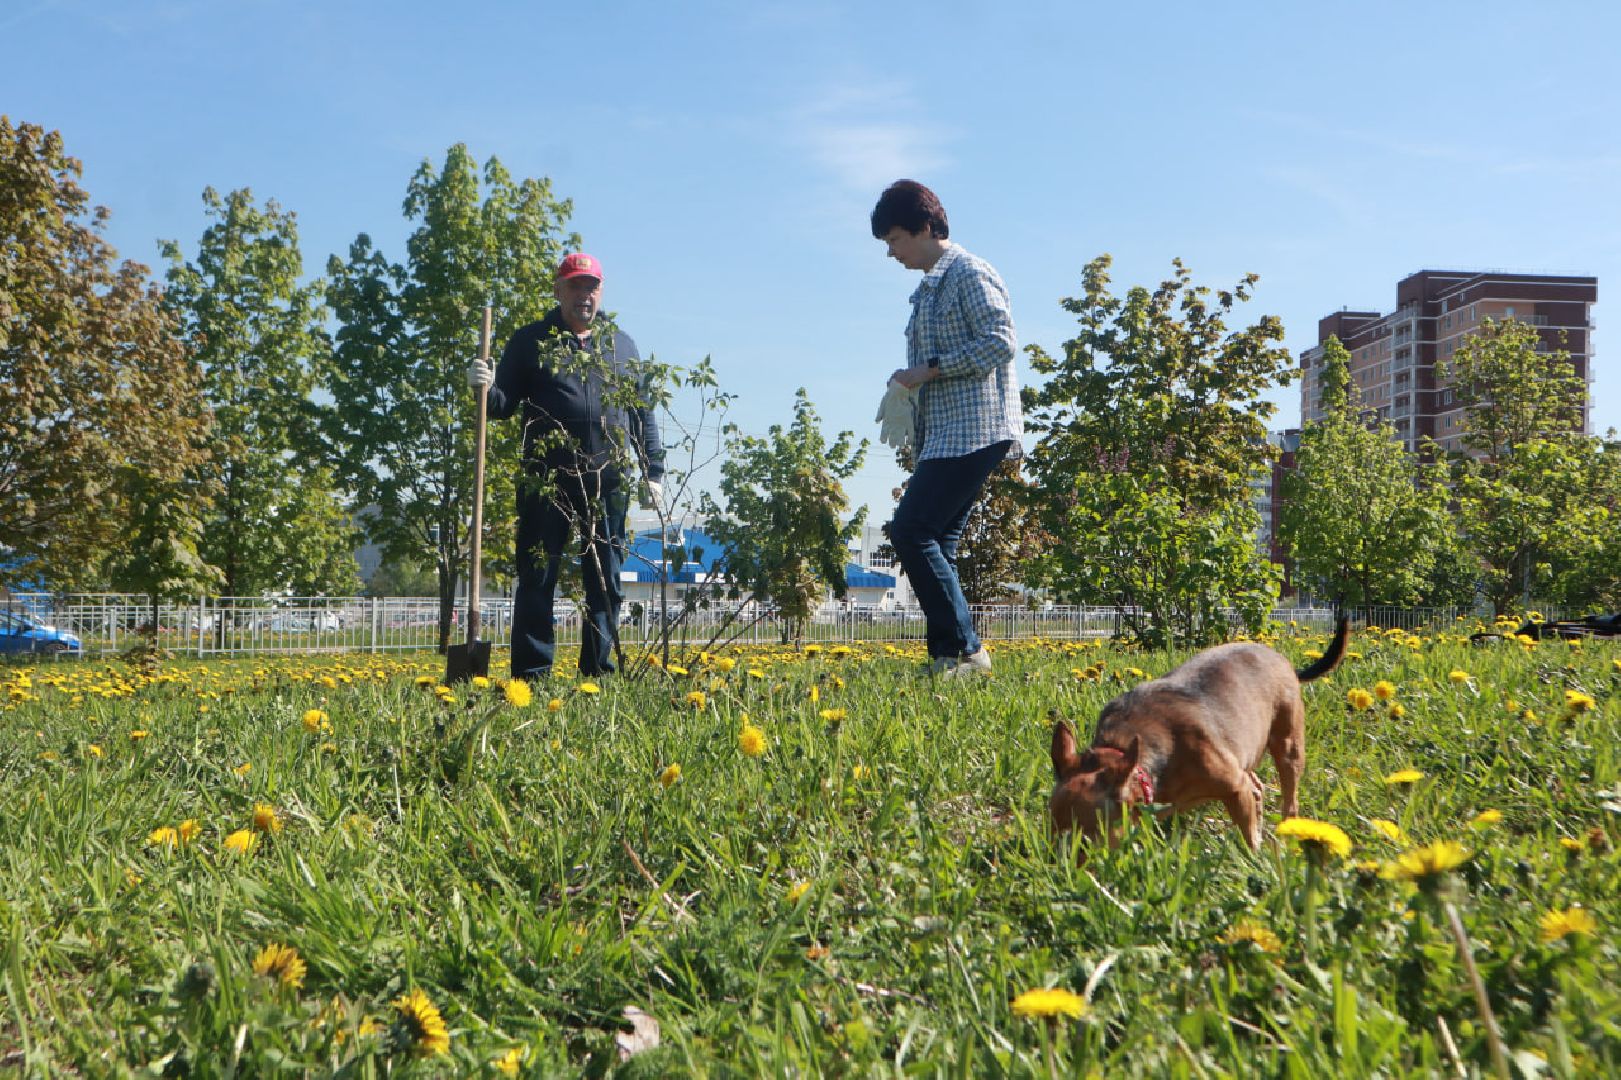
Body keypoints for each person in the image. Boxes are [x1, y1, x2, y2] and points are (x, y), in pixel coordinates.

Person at [467, 252, 663, 681]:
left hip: (606, 482)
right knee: (538, 578)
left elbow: (641, 411)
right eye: (575, 286)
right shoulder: (531, 341)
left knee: (605, 582)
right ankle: (532, 675)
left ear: (602, 290)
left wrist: (654, 469)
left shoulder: (621, 345)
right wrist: (484, 386)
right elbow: (501, 407)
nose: (584, 295)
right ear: (558, 291)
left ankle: (598, 673)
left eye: (591, 286)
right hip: (545, 482)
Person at [871, 180, 1022, 678]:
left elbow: (1001, 341)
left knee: (911, 529)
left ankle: (968, 651)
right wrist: (907, 386)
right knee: (938, 540)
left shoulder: (968, 273)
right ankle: (946, 658)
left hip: (974, 428)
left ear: (925, 227)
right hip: (944, 432)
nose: (891, 253)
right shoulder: (930, 287)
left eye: (895, 240)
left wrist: (929, 369)